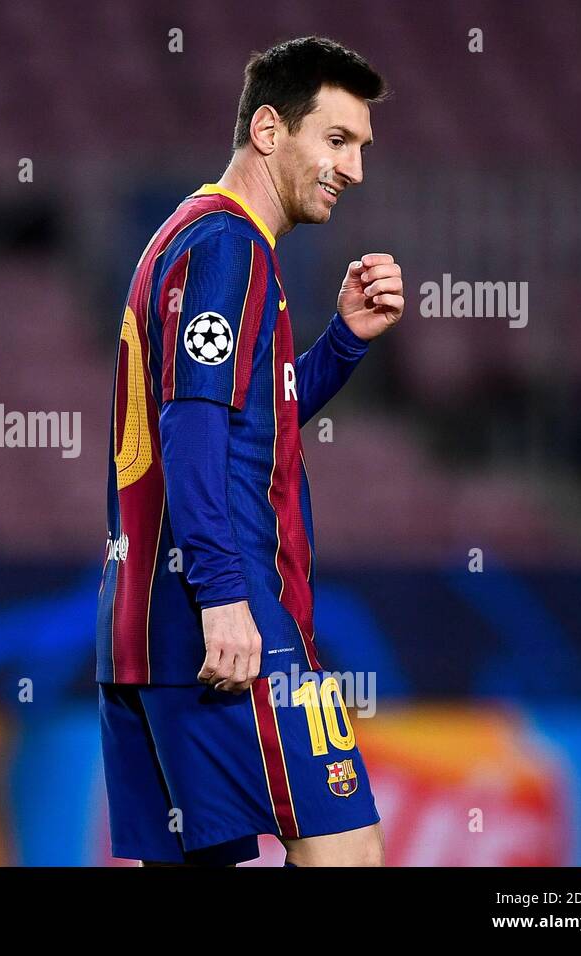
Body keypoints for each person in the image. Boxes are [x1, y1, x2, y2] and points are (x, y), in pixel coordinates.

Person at [96, 38, 404, 866]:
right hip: (227, 625)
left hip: (145, 629)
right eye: (337, 141)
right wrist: (226, 593)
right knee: (349, 853)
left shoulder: (181, 236)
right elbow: (191, 425)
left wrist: (342, 345)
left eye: (362, 149)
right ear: (269, 129)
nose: (355, 169)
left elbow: (245, 421)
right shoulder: (230, 246)